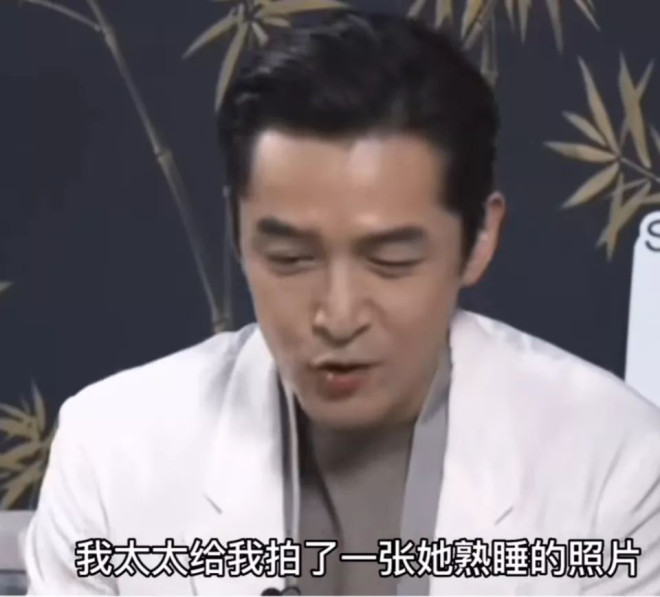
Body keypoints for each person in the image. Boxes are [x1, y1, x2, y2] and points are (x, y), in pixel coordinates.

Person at [24, 10, 660, 596]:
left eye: (391, 261)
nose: (337, 315)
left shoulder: (615, 463)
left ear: (479, 240)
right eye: (290, 258)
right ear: (238, 233)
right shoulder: (111, 454)